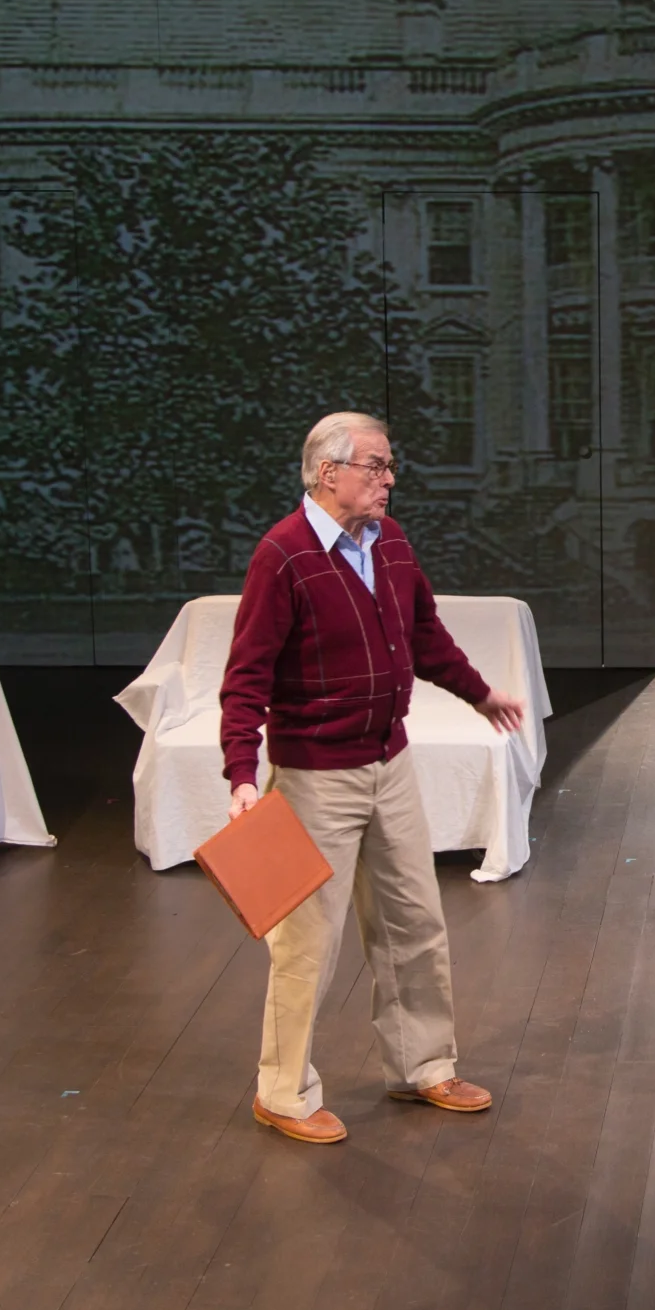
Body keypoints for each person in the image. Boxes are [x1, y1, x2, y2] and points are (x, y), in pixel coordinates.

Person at [220, 410, 525, 1144]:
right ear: (330, 473)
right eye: (376, 466)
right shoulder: (284, 556)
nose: (390, 481)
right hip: (317, 776)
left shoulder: (389, 544)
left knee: (413, 922)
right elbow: (246, 676)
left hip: (390, 763)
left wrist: (478, 692)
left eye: (389, 468)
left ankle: (423, 1065)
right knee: (308, 942)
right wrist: (240, 773)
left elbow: (425, 636)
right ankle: (282, 1091)